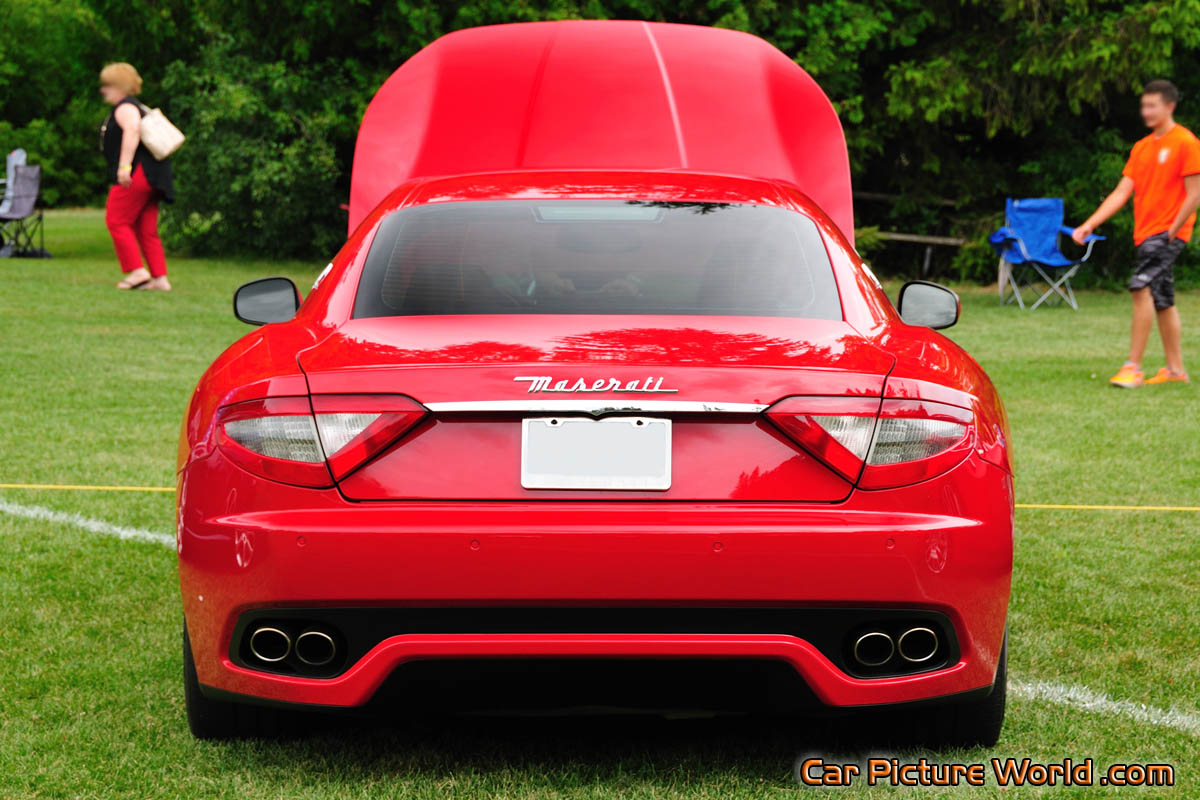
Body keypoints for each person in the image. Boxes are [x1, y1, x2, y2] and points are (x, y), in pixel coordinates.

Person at [1073, 79, 1200, 387]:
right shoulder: (1142, 148)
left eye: (1152, 105)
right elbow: (1121, 192)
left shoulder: (1186, 142)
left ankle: (1133, 367)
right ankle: (1175, 370)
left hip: (1167, 233)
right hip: (1145, 234)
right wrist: (1090, 223)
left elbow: (1194, 193)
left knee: (1138, 287)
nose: (1146, 111)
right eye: (1144, 105)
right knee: (1162, 298)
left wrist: (1172, 230)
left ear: (1169, 106)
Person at [98, 62, 174, 291]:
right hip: (155, 174)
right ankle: (159, 278)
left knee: (116, 220)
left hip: (138, 173)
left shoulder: (125, 108)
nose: (103, 90)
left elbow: (132, 131)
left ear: (119, 87)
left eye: (108, 85)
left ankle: (137, 271)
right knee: (145, 228)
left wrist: (124, 167)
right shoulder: (138, 106)